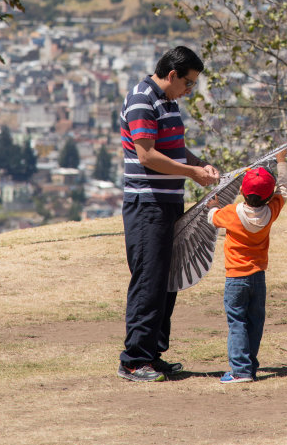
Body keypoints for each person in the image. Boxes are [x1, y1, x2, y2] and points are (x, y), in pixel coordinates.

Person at [118, 45, 220, 383]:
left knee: (166, 280)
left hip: (169, 201)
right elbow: (146, 155)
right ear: (172, 75)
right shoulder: (141, 100)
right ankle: (134, 360)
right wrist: (192, 174)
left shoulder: (168, 102)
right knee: (149, 279)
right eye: (188, 83)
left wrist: (197, 164)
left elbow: (171, 148)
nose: (189, 91)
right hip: (147, 205)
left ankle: (153, 353)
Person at [208, 149, 287, 383]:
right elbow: (283, 189)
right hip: (258, 277)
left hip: (235, 278)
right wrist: (281, 162)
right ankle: (250, 365)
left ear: (242, 191)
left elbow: (212, 217)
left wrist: (213, 204)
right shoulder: (271, 211)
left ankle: (240, 370)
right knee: (254, 322)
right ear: (268, 194)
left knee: (237, 322)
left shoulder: (232, 213)